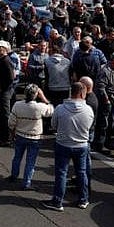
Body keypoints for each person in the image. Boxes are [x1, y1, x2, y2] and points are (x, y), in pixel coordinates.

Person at [41, 82, 94, 212]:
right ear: (83, 93)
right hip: (81, 145)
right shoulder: (88, 109)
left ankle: (57, 201)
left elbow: (54, 125)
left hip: (63, 143)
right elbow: (90, 125)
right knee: (81, 172)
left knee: (61, 173)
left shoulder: (60, 108)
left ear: (71, 92)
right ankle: (83, 199)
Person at [7, 84, 54, 190]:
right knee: (30, 161)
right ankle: (26, 182)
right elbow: (51, 110)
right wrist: (43, 98)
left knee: (17, 157)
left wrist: (12, 132)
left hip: (20, 135)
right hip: (34, 137)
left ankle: (14, 175)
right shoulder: (39, 107)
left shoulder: (17, 105)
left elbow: (11, 122)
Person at [0, 40, 15, 146]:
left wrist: (2, 87)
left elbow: (11, 77)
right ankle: (1, 134)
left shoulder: (6, 61)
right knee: (0, 113)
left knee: (5, 115)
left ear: (4, 49)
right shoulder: (2, 60)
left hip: (5, 91)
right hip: (2, 90)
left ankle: (7, 138)